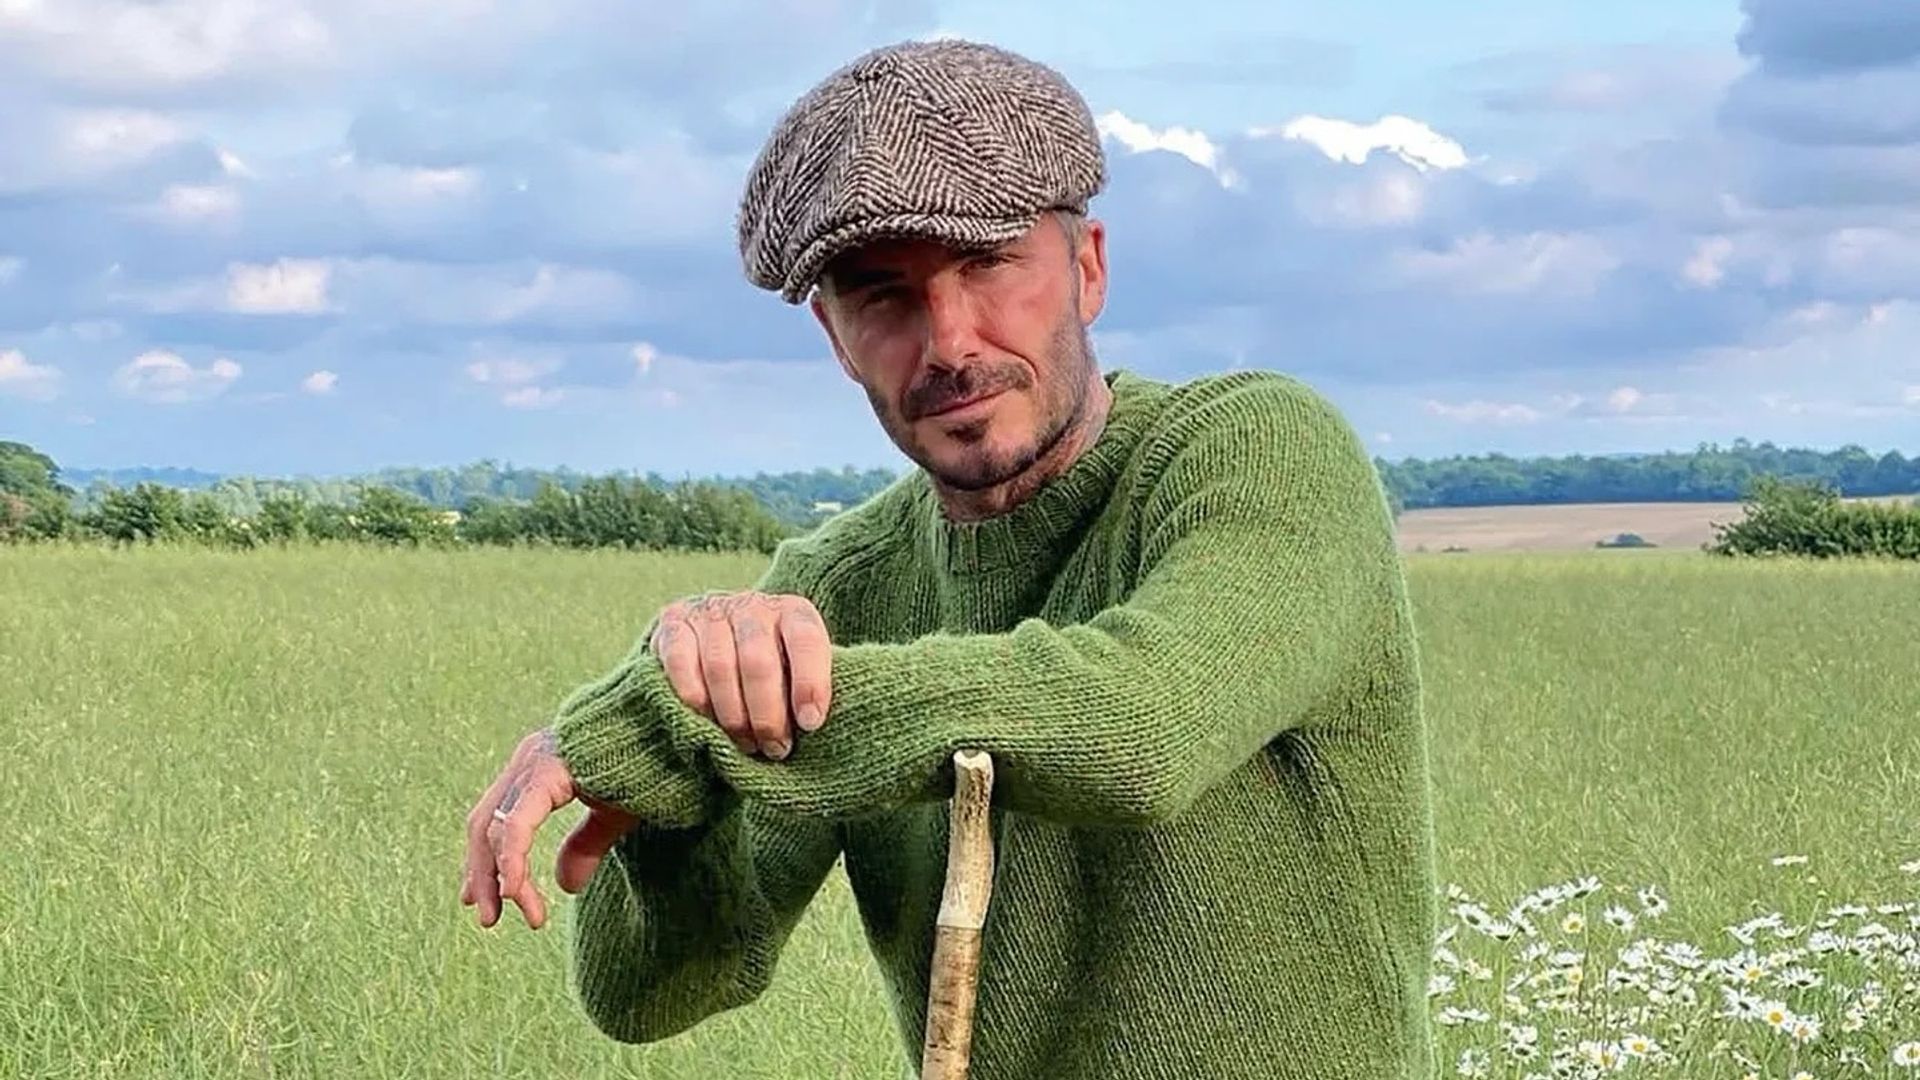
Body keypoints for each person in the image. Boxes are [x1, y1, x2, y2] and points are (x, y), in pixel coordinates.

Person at [462, 37, 1436, 1079]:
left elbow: (1144, 725)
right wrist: (677, 789)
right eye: (883, 295)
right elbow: (650, 996)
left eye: (988, 263)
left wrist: (659, 718)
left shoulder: (1259, 450)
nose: (952, 339)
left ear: (1088, 267)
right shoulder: (839, 590)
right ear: (838, 342)